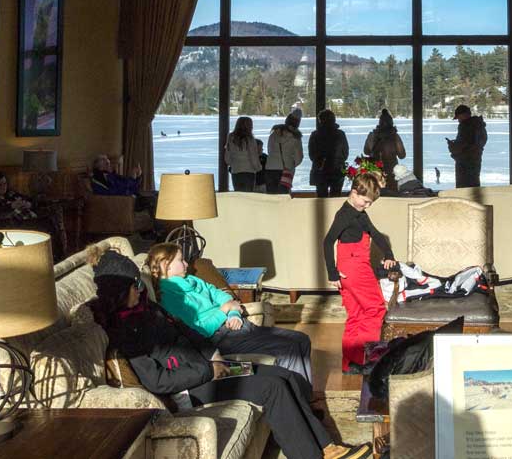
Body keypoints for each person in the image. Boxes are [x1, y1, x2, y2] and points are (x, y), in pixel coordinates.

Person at [87, 248, 370, 459]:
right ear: (118, 292)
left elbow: (188, 333)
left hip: (209, 369)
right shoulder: (124, 331)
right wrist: (210, 370)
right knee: (272, 388)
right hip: (190, 389)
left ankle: (328, 446)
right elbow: (158, 382)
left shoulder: (147, 310)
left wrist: (214, 356)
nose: (141, 289)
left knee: (285, 376)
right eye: (135, 286)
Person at [146, 243, 313, 390]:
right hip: (220, 337)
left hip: (237, 326)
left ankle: (305, 397)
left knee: (302, 339)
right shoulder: (169, 295)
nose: (186, 263)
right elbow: (198, 330)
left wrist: (234, 313)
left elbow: (224, 297)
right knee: (289, 349)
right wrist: (224, 311)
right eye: (181, 260)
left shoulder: (192, 280)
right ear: (165, 265)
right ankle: (300, 400)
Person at [323, 172, 396, 373]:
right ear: (354, 193)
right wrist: (332, 274)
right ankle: (369, 361)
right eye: (365, 201)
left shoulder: (358, 214)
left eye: (370, 203)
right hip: (354, 266)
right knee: (375, 309)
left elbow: (375, 233)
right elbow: (328, 241)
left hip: (348, 268)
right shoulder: (345, 215)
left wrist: (389, 253)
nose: (367, 206)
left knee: (356, 314)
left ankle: (351, 365)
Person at [308, 109, 349, 198]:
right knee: (335, 197)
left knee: (321, 198)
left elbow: (312, 155)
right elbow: (345, 153)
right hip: (337, 170)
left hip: (320, 170)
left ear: (321, 120)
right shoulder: (340, 134)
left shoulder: (315, 135)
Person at [446, 104, 487, 188]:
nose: (458, 120)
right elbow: (476, 143)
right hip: (475, 160)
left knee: (463, 189)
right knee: (473, 187)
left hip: (465, 163)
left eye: (459, 117)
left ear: (464, 115)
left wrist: (452, 146)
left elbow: (462, 145)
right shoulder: (479, 125)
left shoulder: (466, 126)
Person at [266, 113, 303, 194]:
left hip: (270, 167)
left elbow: (269, 150)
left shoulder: (274, 134)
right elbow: (299, 157)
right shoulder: (296, 137)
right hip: (286, 169)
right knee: (283, 195)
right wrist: (291, 164)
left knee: (271, 195)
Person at [363, 110, 406, 179]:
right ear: (391, 122)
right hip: (391, 172)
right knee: (391, 188)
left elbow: (366, 151)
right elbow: (402, 155)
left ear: (380, 122)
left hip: (375, 171)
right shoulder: (395, 136)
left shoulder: (372, 135)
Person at [225, 117, 262, 193]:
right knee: (247, 196)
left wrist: (233, 164)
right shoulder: (250, 139)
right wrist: (258, 168)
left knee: (238, 195)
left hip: (236, 171)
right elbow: (253, 157)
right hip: (248, 172)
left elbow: (227, 158)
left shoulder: (231, 138)